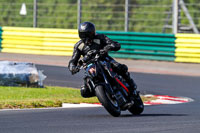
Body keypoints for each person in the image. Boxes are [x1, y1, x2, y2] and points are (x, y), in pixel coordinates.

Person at [68, 21, 138, 97]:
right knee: (84, 91)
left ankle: (132, 86)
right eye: (83, 34)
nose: (86, 37)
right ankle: (100, 92)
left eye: (88, 34)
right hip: (89, 65)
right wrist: (73, 67)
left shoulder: (100, 37)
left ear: (93, 32)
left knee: (120, 68)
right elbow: (73, 60)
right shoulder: (78, 46)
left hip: (104, 59)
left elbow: (115, 44)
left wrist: (109, 46)